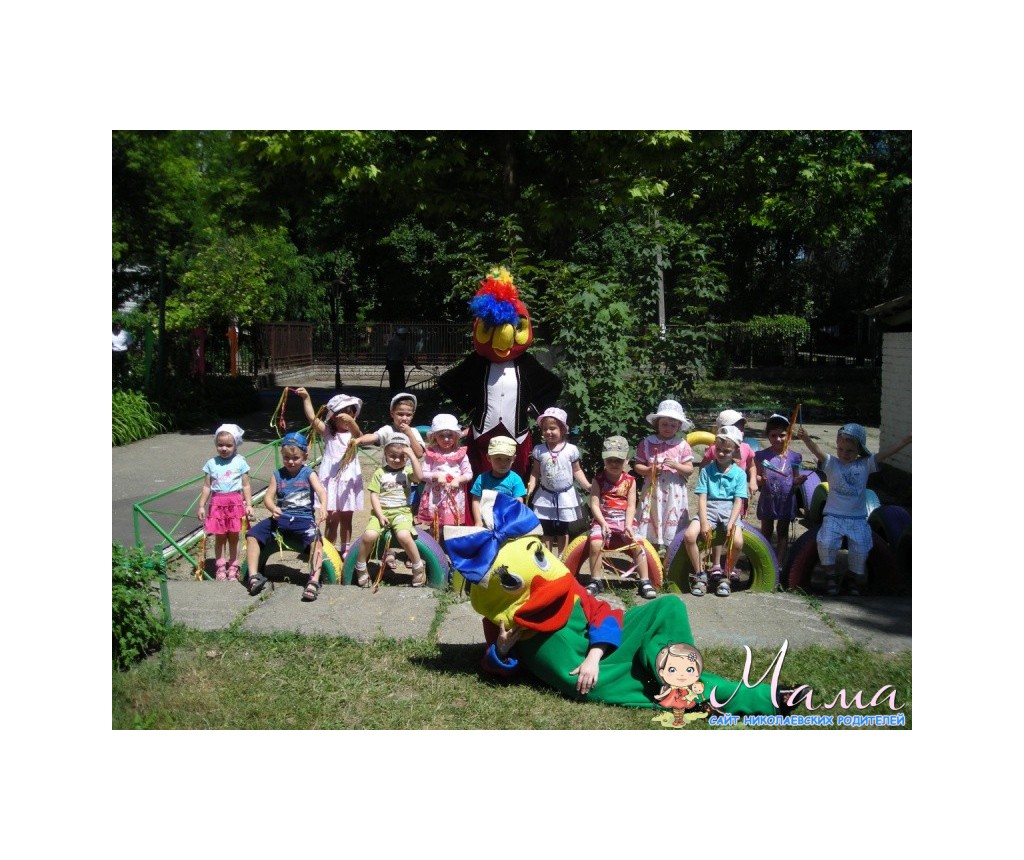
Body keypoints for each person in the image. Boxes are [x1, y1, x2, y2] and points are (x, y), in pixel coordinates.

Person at [797, 423, 912, 595]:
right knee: (826, 543)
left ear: (859, 449)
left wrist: (904, 442)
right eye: (840, 449)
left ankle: (850, 578)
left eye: (850, 451)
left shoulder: (865, 464)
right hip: (834, 515)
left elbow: (885, 454)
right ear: (837, 445)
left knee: (861, 548)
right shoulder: (832, 463)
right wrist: (806, 438)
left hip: (857, 517)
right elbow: (817, 451)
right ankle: (830, 577)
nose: (844, 454)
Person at [244, 432, 328, 602]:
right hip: (281, 519)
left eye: (295, 458)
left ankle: (313, 581)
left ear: (304, 456)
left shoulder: (308, 473)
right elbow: (268, 497)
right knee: (252, 535)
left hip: (304, 520)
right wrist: (273, 508)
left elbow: (321, 492)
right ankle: (253, 577)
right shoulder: (278, 475)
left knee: (317, 542)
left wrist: (323, 507)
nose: (290, 462)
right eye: (286, 458)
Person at [586, 435, 657, 601]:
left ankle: (644, 580)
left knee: (638, 543)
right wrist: (603, 523)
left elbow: (631, 506)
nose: (614, 464)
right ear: (604, 460)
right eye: (610, 460)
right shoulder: (598, 480)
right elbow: (594, 504)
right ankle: (595, 580)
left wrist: (628, 525)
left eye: (618, 460)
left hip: (625, 520)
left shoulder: (630, 481)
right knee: (595, 543)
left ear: (626, 460)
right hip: (603, 520)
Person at [296, 387, 363, 558]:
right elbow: (312, 418)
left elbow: (358, 434)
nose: (347, 421)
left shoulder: (354, 435)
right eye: (343, 418)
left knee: (347, 517)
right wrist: (306, 398)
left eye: (351, 416)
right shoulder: (328, 432)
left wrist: (351, 422)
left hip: (347, 480)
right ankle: (328, 548)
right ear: (333, 418)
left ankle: (345, 548)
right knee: (331, 517)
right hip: (331, 480)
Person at [352, 435, 427, 587]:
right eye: (392, 456)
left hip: (401, 512)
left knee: (404, 535)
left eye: (401, 457)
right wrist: (379, 515)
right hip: (382, 512)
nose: (397, 460)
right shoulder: (379, 473)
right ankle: (360, 566)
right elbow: (374, 495)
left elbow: (419, 477)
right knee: (369, 535)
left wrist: (412, 456)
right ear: (385, 454)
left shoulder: (407, 472)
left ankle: (418, 566)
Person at [684, 426, 748, 597]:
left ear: (735, 451)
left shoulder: (740, 474)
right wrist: (704, 522)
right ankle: (700, 574)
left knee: (738, 542)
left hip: (730, 510)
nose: (721, 453)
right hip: (709, 508)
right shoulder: (706, 470)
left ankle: (726, 576)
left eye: (726, 451)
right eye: (718, 449)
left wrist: (732, 522)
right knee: (690, 536)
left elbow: (738, 501)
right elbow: (702, 498)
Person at [525, 407, 590, 555]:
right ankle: (547, 556)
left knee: (562, 530)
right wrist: (531, 486)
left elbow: (577, 470)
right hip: (545, 497)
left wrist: (587, 485)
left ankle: (562, 557)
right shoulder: (539, 450)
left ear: (563, 429)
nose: (548, 432)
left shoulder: (571, 450)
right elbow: (535, 471)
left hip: (565, 497)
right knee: (546, 529)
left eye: (552, 428)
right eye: (545, 429)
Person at [700, 409, 758, 573]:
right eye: (736, 426)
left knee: (733, 528)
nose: (740, 430)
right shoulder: (715, 449)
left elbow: (752, 465)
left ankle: (731, 564)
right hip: (718, 497)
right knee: (717, 529)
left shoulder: (745, 447)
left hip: (737, 496)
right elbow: (704, 466)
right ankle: (716, 563)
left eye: (741, 427)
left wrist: (753, 480)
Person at [634, 399, 695, 556]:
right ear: (657, 423)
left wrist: (676, 465)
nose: (668, 428)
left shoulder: (682, 445)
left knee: (671, 525)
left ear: (679, 426)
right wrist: (649, 470)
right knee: (651, 522)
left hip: (673, 493)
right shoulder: (647, 442)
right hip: (653, 491)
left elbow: (689, 470)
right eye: (665, 424)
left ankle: (670, 557)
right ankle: (650, 556)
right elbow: (637, 466)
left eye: (673, 425)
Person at [196, 423, 254, 581]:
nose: (224, 448)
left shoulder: (240, 462)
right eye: (220, 445)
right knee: (220, 537)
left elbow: (246, 485)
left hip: (235, 503)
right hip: (217, 504)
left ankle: (233, 566)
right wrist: (201, 505)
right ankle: (220, 567)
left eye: (229, 445)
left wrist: (249, 504)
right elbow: (207, 486)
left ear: (236, 445)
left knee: (234, 537)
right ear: (216, 444)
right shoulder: (211, 463)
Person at [755, 413, 807, 561]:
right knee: (766, 530)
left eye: (782, 435)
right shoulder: (761, 456)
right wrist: (761, 480)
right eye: (773, 435)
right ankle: (765, 559)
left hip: (786, 501)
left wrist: (799, 480)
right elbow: (756, 478)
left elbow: (795, 479)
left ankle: (779, 562)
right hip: (768, 500)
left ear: (789, 435)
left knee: (783, 532)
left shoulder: (794, 457)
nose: (778, 439)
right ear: (768, 436)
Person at [417, 413, 473, 531]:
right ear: (435, 436)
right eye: (441, 435)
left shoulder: (460, 454)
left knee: (453, 524)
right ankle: (435, 540)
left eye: (450, 435)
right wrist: (436, 476)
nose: (446, 439)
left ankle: (450, 540)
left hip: (454, 496)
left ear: (456, 436)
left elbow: (468, 473)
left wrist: (458, 480)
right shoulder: (432, 454)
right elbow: (423, 474)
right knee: (436, 525)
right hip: (435, 496)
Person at [469, 436, 528, 527]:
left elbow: (518, 501)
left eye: (508, 459)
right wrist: (478, 521)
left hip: (508, 521)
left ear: (513, 459)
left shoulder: (515, 479)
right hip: (485, 521)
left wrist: (513, 520)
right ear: (489, 458)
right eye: (498, 459)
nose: (503, 463)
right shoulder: (482, 479)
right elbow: (476, 500)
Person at [352, 392, 426, 460]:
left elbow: (419, 454)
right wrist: (359, 440)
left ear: (413, 415)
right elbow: (373, 437)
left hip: (408, 468)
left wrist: (409, 434)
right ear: (392, 414)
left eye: (408, 415)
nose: (404, 418)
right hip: (389, 468)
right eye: (400, 414)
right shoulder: (387, 430)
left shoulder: (414, 432)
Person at [653, 643, 708, 726]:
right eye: (672, 670)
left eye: (689, 670)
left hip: (683, 700)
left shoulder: (688, 688)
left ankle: (680, 720)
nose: (682, 675)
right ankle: (676, 720)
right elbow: (667, 692)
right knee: (676, 710)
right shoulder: (673, 687)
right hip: (674, 699)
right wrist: (660, 696)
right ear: (662, 672)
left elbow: (692, 692)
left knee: (681, 710)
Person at [385, 328, 420, 396]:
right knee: (400, 384)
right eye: (405, 335)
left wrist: (387, 364)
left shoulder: (391, 341)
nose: (406, 337)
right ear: (402, 335)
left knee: (393, 383)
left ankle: (393, 396)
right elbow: (408, 355)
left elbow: (387, 354)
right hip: (398, 365)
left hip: (391, 365)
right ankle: (400, 397)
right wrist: (416, 364)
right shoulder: (401, 342)